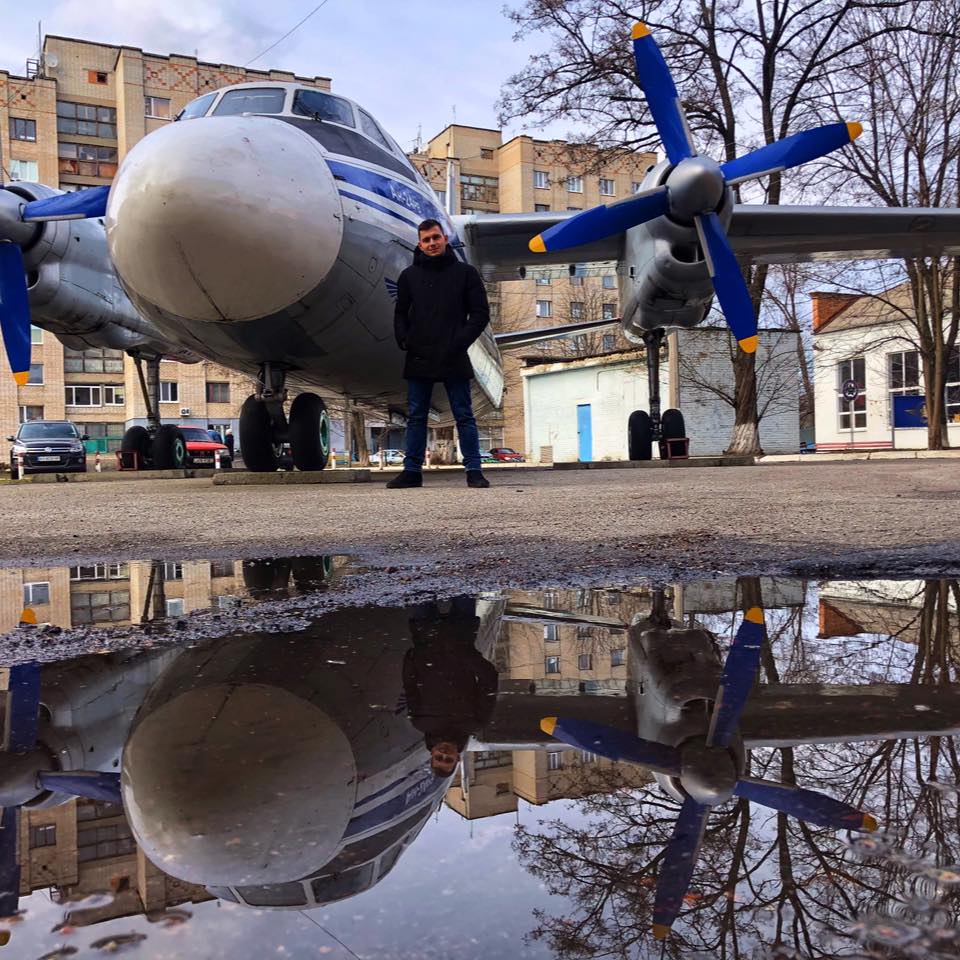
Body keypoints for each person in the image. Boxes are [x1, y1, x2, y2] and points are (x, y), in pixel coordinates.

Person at [388, 219, 491, 489]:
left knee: (464, 415)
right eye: (426, 240)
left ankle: (474, 470)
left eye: (435, 237)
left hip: (453, 352)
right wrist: (404, 339)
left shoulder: (466, 273)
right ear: (420, 244)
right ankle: (411, 471)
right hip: (419, 353)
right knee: (416, 416)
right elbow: (400, 313)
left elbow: (480, 313)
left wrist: (460, 342)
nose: (432, 243)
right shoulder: (408, 276)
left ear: (445, 238)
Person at [401, 597, 499, 777]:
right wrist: (467, 656)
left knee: (420, 588)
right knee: (463, 587)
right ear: (457, 758)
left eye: (439, 757)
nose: (444, 753)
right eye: (448, 759)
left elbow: (410, 685)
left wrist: (413, 657)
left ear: (432, 754)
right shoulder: (475, 723)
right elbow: (489, 682)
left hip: (426, 636)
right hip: (461, 634)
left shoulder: (420, 722)